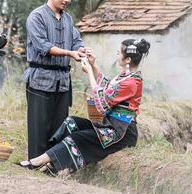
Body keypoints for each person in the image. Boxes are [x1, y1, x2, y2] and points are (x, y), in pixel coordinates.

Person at [18, 38, 150, 175]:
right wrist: (93, 66)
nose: (117, 55)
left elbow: (102, 103)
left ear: (127, 60)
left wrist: (90, 75)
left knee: (77, 138)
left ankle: (36, 163)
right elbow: (106, 86)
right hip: (110, 126)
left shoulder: (132, 83)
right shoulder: (126, 77)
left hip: (121, 133)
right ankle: (49, 163)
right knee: (71, 123)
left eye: (119, 53)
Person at [23, 0, 88, 160]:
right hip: (40, 80)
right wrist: (69, 53)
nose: (67, 0)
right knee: (39, 126)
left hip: (62, 82)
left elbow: (76, 41)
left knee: (60, 126)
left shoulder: (67, 19)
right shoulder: (37, 17)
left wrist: (83, 50)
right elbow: (43, 46)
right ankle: (35, 163)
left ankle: (55, 163)